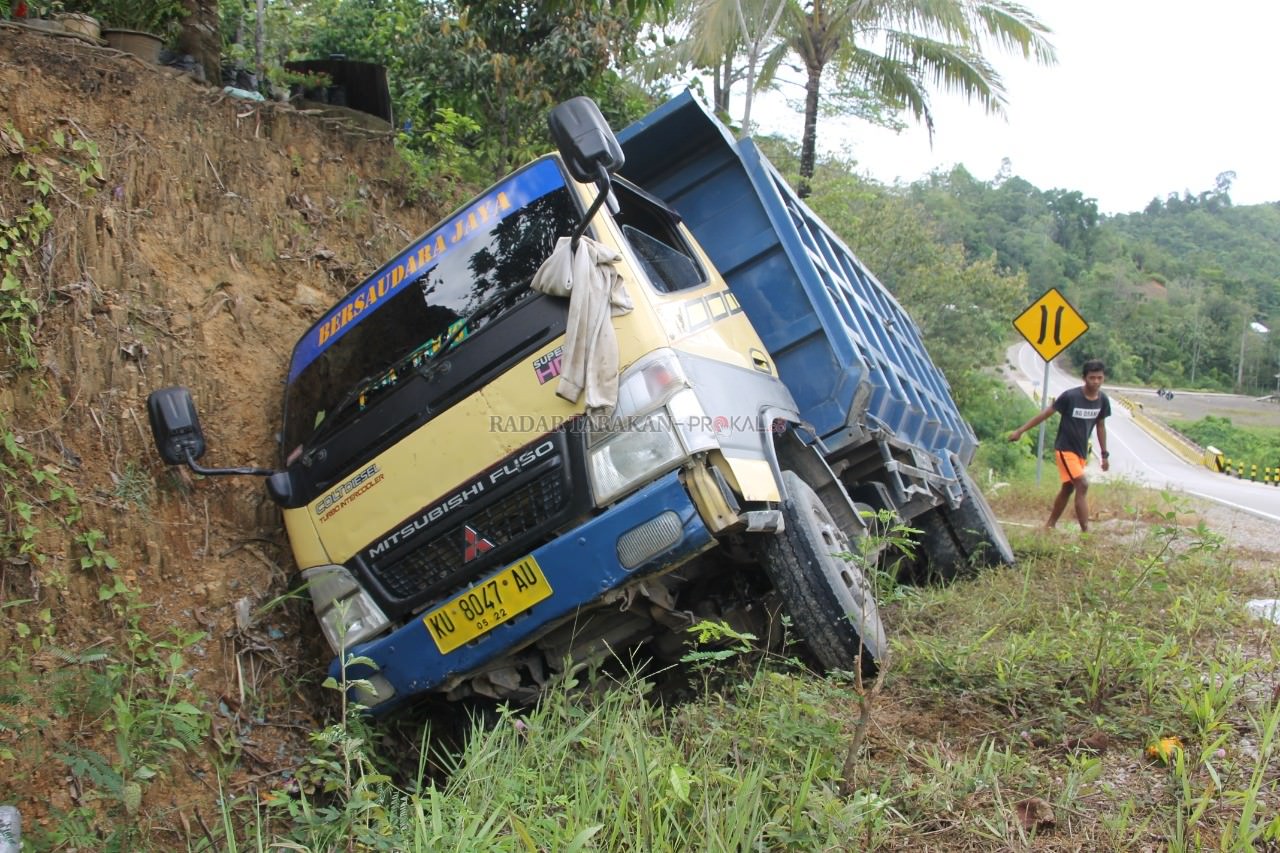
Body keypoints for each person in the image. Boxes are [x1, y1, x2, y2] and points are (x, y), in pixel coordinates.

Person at [1009, 359, 1111, 531]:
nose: (1096, 382)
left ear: (1103, 378)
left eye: (1099, 378)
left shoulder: (1103, 400)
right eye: (1092, 378)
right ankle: (1086, 532)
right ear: (1084, 378)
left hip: (1081, 452)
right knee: (1083, 484)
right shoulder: (1071, 397)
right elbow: (1046, 414)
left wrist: (1104, 454)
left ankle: (1050, 525)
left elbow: (1100, 425)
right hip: (1065, 450)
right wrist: (1021, 430)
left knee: (1068, 488)